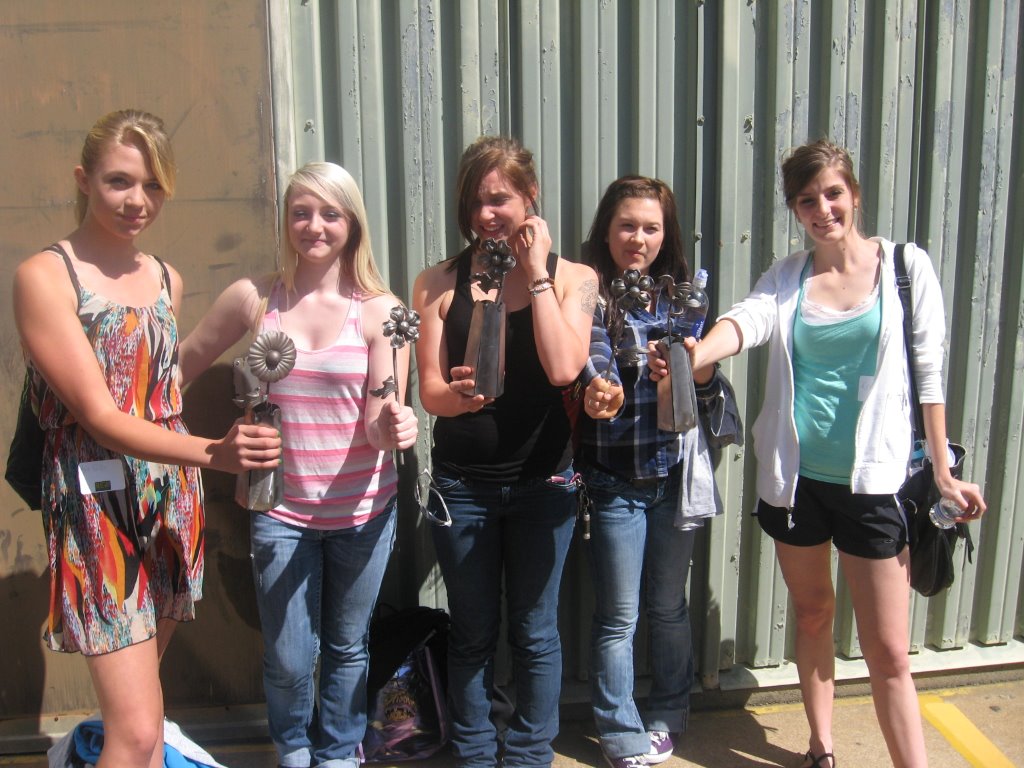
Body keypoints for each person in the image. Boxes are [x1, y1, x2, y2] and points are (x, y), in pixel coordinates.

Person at [652, 139, 986, 768]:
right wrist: (691, 355)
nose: (823, 208)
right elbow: (747, 321)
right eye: (807, 200)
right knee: (812, 614)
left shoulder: (907, 268)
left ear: (853, 193)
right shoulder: (787, 277)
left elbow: (931, 375)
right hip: (796, 481)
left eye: (833, 193)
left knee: (887, 651)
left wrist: (942, 472)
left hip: (875, 482)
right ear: (795, 209)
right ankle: (821, 748)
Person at [11, 109, 282, 768]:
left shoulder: (165, 277)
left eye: (154, 186)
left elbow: (158, 387)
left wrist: (228, 337)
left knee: (145, 722)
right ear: (84, 179)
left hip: (169, 504)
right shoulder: (46, 277)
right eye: (120, 182)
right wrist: (214, 454)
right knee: (133, 734)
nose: (138, 202)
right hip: (96, 507)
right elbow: (101, 416)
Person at [177, 161, 417, 768]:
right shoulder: (254, 299)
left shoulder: (381, 311)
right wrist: (126, 419)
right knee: (287, 656)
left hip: (363, 513)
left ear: (352, 223)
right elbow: (180, 367)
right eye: (301, 212)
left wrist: (394, 426)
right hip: (278, 512)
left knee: (346, 646)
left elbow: (378, 416)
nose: (314, 226)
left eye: (330, 213)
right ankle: (293, 748)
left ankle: (338, 751)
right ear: (285, 220)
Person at [412, 135, 597, 768]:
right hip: (464, 486)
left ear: (530, 196)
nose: (486, 214)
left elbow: (566, 366)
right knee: (472, 633)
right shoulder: (438, 282)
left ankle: (527, 757)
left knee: (536, 633)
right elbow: (430, 392)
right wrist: (459, 399)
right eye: (475, 202)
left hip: (546, 484)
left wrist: (536, 273)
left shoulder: (574, 278)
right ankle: (473, 753)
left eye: (500, 199)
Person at [578, 176, 740, 768]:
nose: (638, 238)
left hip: (675, 478)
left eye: (650, 227)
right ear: (607, 229)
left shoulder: (685, 299)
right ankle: (621, 733)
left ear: (666, 233)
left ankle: (670, 711)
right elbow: (591, 357)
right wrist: (602, 386)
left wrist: (689, 372)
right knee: (618, 615)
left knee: (668, 606)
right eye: (627, 225)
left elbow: (709, 385)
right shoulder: (589, 292)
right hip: (614, 481)